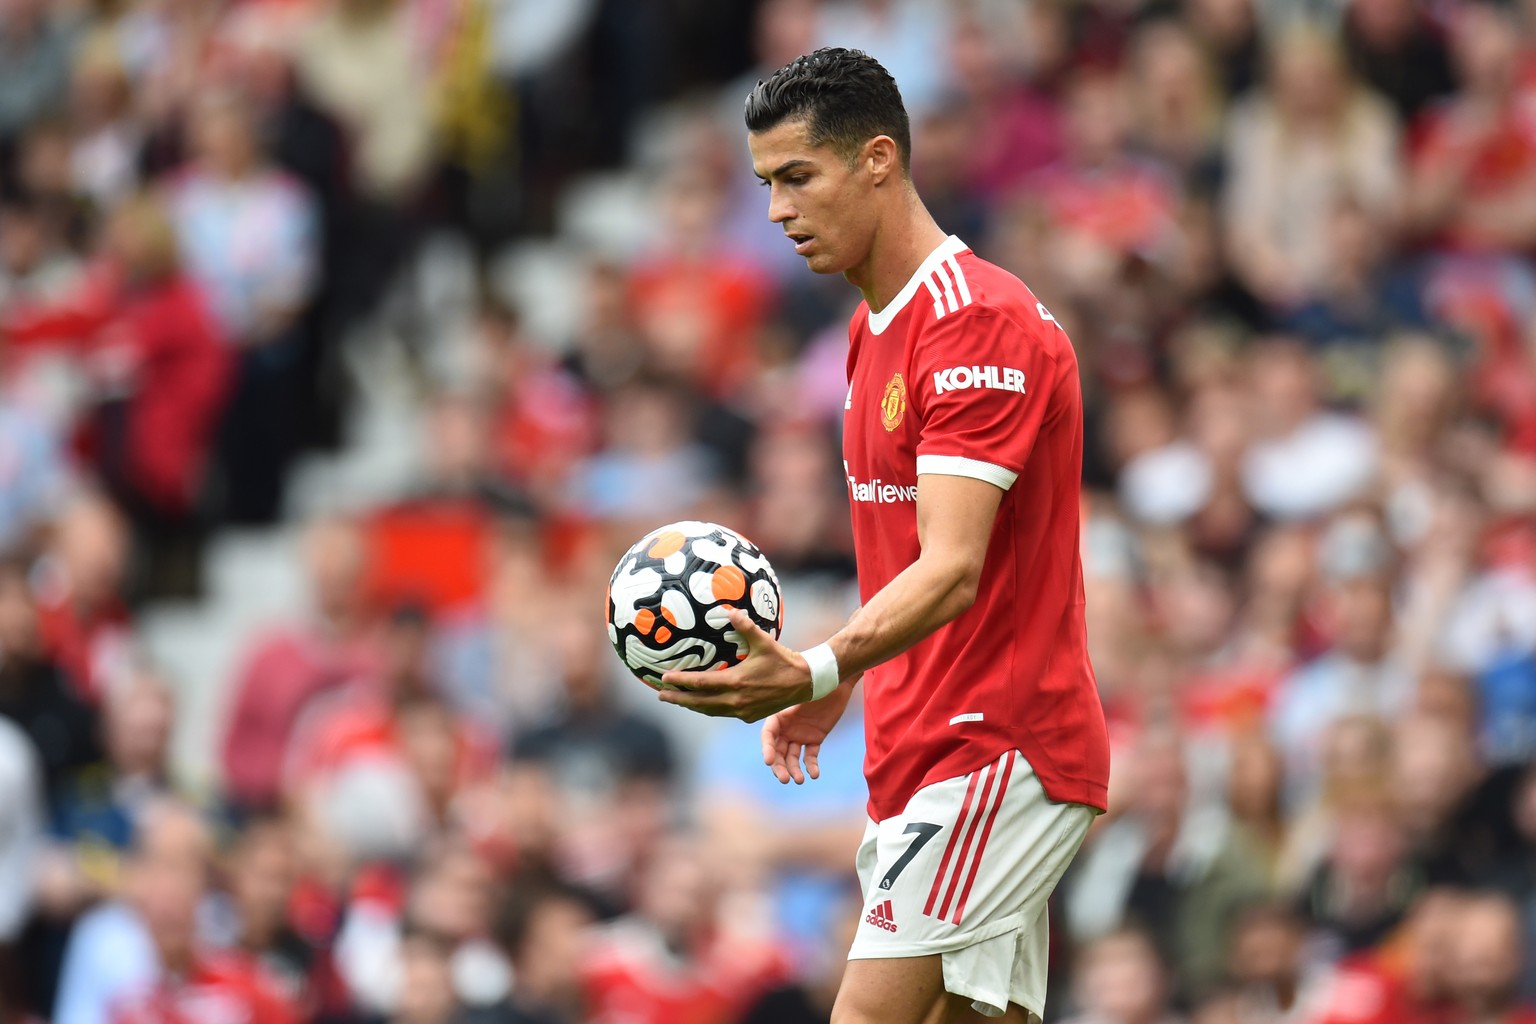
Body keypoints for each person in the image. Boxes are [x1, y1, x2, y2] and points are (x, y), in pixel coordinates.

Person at [658, 47, 1111, 1024]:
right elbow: (910, 561)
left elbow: (951, 573)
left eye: (796, 176)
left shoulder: (978, 327)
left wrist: (818, 667)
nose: (777, 210)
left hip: (993, 745)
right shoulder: (871, 333)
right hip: (919, 744)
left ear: (875, 161)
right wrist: (850, 685)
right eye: (766, 184)